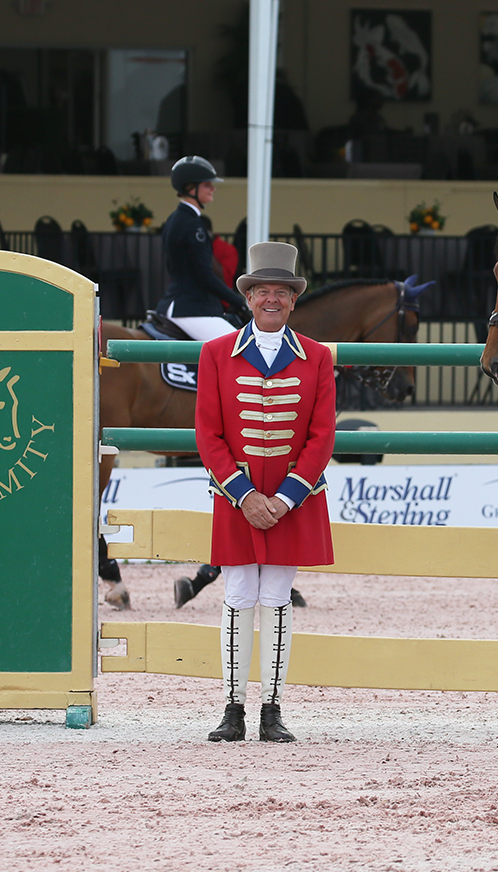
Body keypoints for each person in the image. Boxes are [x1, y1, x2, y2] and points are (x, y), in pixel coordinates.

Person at [197, 241, 336, 743]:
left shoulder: (317, 357)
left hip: (290, 502)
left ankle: (271, 711)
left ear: (294, 301)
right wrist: (244, 495)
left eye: (281, 292)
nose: (271, 299)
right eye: (262, 291)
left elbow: (322, 436)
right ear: (248, 298)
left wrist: (283, 499)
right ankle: (232, 709)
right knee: (237, 596)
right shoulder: (215, 354)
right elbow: (207, 434)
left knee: (276, 597)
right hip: (238, 500)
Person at [157, 156, 248, 340]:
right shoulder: (192, 225)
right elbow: (205, 276)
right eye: (207, 185)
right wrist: (241, 303)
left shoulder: (176, 218)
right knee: (242, 347)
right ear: (191, 188)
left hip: (185, 304)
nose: (213, 189)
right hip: (190, 307)